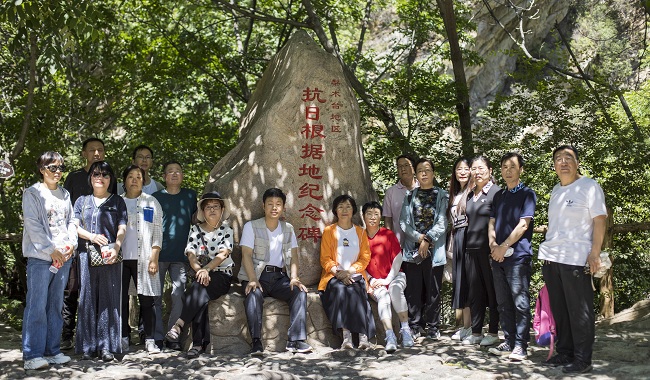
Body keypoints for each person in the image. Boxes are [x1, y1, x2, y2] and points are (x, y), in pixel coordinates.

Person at [538, 145, 607, 374]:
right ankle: (565, 352)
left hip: (576, 258)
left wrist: (594, 253)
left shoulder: (589, 186)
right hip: (552, 258)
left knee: (580, 310)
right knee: (560, 310)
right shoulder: (556, 190)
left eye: (569, 157)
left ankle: (582, 359)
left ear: (577, 162)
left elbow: (599, 220)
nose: (563, 162)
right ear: (554, 165)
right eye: (558, 158)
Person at [239, 188, 312, 356]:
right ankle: (256, 342)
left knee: (299, 292)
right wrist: (251, 279)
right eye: (270, 204)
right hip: (257, 275)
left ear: (283, 207)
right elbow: (246, 255)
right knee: (253, 294)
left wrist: (294, 278)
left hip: (279, 277)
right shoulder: (251, 226)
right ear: (263, 206)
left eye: (278, 204)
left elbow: (294, 257)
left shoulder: (288, 228)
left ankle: (296, 340)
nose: (274, 207)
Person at [21, 151, 77, 370]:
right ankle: (32, 354)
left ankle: (51, 351)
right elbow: (32, 224)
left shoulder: (65, 194)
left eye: (61, 167)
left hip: (63, 258)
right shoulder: (33, 193)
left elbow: (72, 220)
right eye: (52, 167)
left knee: (55, 305)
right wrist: (50, 249)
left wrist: (71, 244)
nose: (57, 172)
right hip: (40, 258)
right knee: (37, 305)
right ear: (42, 169)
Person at [61, 137, 117, 350]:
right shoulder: (74, 177)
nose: (96, 153)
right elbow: (66, 211)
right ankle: (67, 334)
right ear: (84, 153)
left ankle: (96, 337)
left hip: (102, 245)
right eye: (91, 150)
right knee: (72, 289)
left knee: (98, 290)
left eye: (100, 150)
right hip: (76, 243)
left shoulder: (109, 176)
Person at [165, 192, 234, 358]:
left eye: (215, 206)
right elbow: (191, 255)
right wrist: (200, 271)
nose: (212, 210)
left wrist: (207, 269)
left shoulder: (227, 230)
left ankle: (181, 326)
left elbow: (223, 254)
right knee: (200, 294)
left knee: (197, 290)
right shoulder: (195, 230)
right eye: (208, 207)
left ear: (222, 209)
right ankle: (198, 345)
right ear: (202, 211)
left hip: (222, 275)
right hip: (201, 274)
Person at [74, 161, 127, 361]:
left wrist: (117, 246)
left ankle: (106, 346)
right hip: (86, 254)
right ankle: (87, 347)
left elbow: (122, 227)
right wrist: (91, 236)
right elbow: (74, 225)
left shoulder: (117, 201)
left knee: (108, 299)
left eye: (105, 175)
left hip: (109, 255)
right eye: (97, 174)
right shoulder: (82, 201)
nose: (100, 178)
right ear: (91, 178)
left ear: (110, 179)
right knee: (87, 299)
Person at [487, 152, 537, 360]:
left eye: (512, 167)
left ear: (521, 170)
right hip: (497, 256)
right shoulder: (499, 195)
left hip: (517, 257)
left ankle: (521, 345)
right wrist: (493, 244)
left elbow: (523, 225)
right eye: (504, 167)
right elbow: (491, 222)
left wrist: (504, 245)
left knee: (520, 302)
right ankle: (508, 341)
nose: (508, 170)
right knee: (503, 303)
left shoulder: (527, 194)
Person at [399, 158, 448, 340]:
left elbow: (443, 222)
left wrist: (427, 239)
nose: (424, 173)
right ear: (416, 174)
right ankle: (415, 325)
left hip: (434, 250)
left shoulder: (442, 195)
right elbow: (403, 222)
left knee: (433, 289)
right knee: (413, 289)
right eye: (420, 170)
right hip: (413, 250)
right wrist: (419, 238)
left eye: (427, 170)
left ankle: (433, 326)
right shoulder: (410, 196)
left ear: (433, 173)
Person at [319, 194, 376, 350]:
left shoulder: (361, 232)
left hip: (355, 274)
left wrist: (349, 271)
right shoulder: (329, 231)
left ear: (353, 210)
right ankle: (347, 337)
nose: (344, 210)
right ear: (335, 211)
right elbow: (325, 258)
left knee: (357, 289)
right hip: (333, 276)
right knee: (341, 289)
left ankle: (363, 337)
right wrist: (338, 273)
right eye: (341, 207)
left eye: (348, 207)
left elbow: (365, 258)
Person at [152, 161, 198, 351]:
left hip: (181, 254)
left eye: (178, 171)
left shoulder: (189, 196)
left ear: (183, 175)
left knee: (178, 293)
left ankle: (173, 336)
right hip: (158, 254)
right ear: (164, 176)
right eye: (170, 171)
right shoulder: (154, 197)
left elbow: (197, 220)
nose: (174, 174)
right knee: (154, 296)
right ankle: (155, 337)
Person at [120, 165, 163, 354]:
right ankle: (123, 337)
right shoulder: (117, 202)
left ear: (144, 180)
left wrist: (154, 258)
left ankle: (150, 339)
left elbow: (157, 232)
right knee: (120, 300)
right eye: (130, 176)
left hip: (144, 258)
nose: (135, 180)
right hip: (120, 259)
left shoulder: (151, 202)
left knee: (147, 299)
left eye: (139, 176)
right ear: (124, 181)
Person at [362, 201, 414, 352]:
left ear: (381, 217)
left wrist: (387, 280)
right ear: (363, 216)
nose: (373, 218)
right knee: (383, 297)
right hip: (374, 281)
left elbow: (398, 259)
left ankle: (405, 330)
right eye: (369, 214)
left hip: (395, 275)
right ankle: (389, 335)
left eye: (376, 214)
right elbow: (358, 263)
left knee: (395, 290)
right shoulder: (359, 237)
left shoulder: (388, 234)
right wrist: (371, 280)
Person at [462, 155, 500, 347]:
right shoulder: (470, 194)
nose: (477, 173)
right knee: (475, 292)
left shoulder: (497, 193)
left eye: (481, 168)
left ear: (490, 170)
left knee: (492, 292)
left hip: (489, 251)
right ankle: (476, 332)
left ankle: (493, 331)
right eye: (473, 169)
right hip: (471, 249)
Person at [447, 157, 472, 342]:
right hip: (456, 240)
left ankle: (472, 327)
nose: (462, 172)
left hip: (470, 241)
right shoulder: (455, 193)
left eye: (465, 168)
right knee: (459, 283)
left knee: (469, 284)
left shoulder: (473, 192)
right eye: (458, 169)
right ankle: (465, 326)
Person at [382, 154, 419, 245]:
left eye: (406, 165)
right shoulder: (391, 192)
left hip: (422, 244)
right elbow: (388, 220)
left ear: (414, 169)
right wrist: (390, 241)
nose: (403, 169)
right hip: (399, 245)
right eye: (399, 166)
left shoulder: (423, 188)